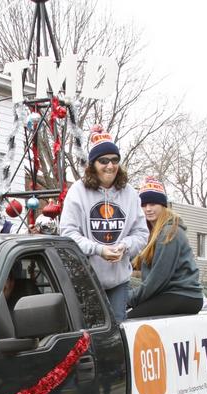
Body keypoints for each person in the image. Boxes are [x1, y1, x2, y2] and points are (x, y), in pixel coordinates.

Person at [59, 128, 148, 323]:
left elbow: (141, 233)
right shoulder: (78, 191)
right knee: (89, 331)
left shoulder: (130, 194)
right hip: (85, 278)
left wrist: (124, 246)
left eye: (115, 160)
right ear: (93, 164)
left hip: (119, 280)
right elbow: (67, 233)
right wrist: (98, 249)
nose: (110, 166)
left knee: (116, 329)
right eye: (104, 161)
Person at [125, 177, 203, 318]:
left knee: (128, 320)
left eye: (153, 204)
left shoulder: (169, 232)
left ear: (163, 205)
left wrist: (128, 300)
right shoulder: (150, 235)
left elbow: (157, 279)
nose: (148, 209)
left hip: (183, 294)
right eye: (143, 205)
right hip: (170, 293)